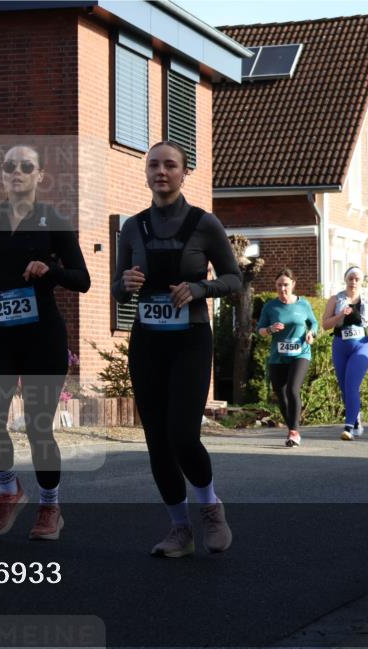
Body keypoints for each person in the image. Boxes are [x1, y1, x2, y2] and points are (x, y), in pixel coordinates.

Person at [111, 140, 242, 558]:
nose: (161, 172)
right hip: (148, 342)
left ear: (185, 173)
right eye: (154, 165)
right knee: (156, 440)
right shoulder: (133, 226)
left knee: (183, 435)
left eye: (170, 165)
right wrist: (126, 286)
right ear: (146, 172)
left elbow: (234, 279)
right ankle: (178, 528)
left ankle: (210, 508)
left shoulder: (205, 224)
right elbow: (116, 289)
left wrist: (200, 288)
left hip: (190, 340)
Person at [0, 144, 90, 540]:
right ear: (1, 175)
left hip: (42, 335)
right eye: (9, 167)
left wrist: (50, 269)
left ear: (40, 176)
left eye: (26, 167)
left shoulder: (54, 220)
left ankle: (50, 505)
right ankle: (9, 489)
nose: (16, 172)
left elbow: (81, 279)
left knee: (39, 427)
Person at [257, 268, 319, 447]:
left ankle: (293, 432)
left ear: (293, 285)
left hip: (301, 353)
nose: (282, 288)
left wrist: (311, 333)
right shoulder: (270, 306)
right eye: (279, 285)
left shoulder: (303, 304)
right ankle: (292, 429)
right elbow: (259, 331)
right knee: (280, 394)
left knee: (292, 389)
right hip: (278, 357)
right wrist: (270, 329)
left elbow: (313, 322)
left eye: (285, 284)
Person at [321, 266, 368, 441]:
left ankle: (348, 426)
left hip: (361, 346)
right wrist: (340, 315)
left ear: (361, 281)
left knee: (352, 385)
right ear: (345, 280)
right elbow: (325, 325)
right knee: (344, 387)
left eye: (357, 279)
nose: (353, 282)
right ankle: (356, 419)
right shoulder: (335, 299)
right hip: (340, 345)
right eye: (350, 278)